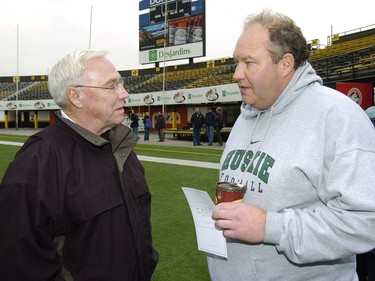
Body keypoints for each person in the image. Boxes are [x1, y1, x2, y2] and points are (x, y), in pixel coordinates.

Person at [208, 9, 375, 281]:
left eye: (249, 63)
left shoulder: (336, 116)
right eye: (236, 62)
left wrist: (271, 227)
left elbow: (366, 222)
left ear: (285, 64)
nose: (236, 74)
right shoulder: (246, 116)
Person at [0, 50, 158, 280]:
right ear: (76, 96)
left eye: (121, 84)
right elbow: (19, 264)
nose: (124, 93)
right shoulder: (36, 165)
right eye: (111, 85)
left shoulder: (121, 149)